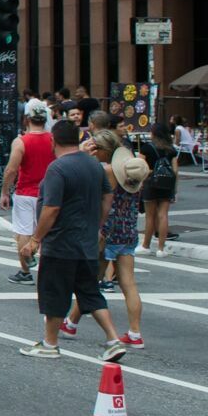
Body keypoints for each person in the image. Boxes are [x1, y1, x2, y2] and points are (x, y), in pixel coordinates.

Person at [20, 119, 129, 361]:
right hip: (87, 243)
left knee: (55, 294)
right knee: (90, 294)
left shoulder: (57, 169)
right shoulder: (94, 165)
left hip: (61, 243)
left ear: (53, 141)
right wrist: (97, 224)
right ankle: (113, 339)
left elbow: (51, 208)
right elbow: (107, 196)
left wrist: (36, 239)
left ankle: (50, 343)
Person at [61, 131, 149, 350]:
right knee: (128, 283)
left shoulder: (109, 171)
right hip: (128, 231)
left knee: (89, 283)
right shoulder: (134, 172)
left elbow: (102, 199)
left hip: (107, 232)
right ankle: (135, 332)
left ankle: (71, 323)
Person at [0, 101, 54, 282]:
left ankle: (25, 271)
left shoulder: (21, 142)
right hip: (48, 192)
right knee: (46, 232)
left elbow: (11, 170)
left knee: (24, 231)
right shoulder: (53, 140)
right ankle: (48, 271)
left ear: (26, 120)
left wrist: (5, 192)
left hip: (25, 192)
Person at [139, 131, 178, 256]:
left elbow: (139, 167)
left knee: (149, 216)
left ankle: (146, 246)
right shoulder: (171, 150)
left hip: (150, 183)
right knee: (163, 215)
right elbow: (175, 171)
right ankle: (161, 249)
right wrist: (174, 189)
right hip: (167, 185)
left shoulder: (146, 148)